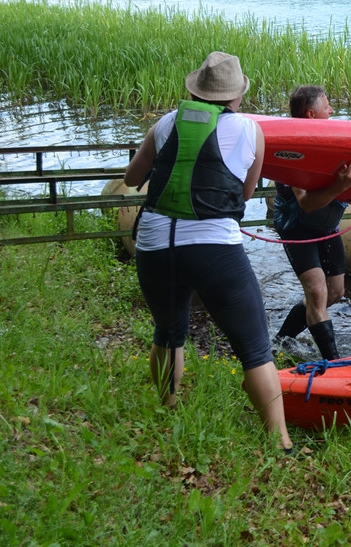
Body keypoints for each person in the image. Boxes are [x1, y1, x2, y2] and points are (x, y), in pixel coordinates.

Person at [124, 51, 293, 452]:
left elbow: (132, 178)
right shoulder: (251, 130)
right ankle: (281, 444)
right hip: (214, 248)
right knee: (254, 348)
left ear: (197, 91)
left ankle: (168, 408)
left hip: (154, 244)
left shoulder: (166, 123)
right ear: (237, 95)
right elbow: (246, 192)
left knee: (168, 331)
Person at [271, 85, 351, 359]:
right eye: (327, 106)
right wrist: (340, 186)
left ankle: (282, 339)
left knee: (335, 293)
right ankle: (334, 363)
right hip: (297, 228)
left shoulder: (328, 142)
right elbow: (306, 202)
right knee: (316, 291)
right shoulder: (291, 150)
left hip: (326, 226)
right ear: (311, 114)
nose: (333, 110)